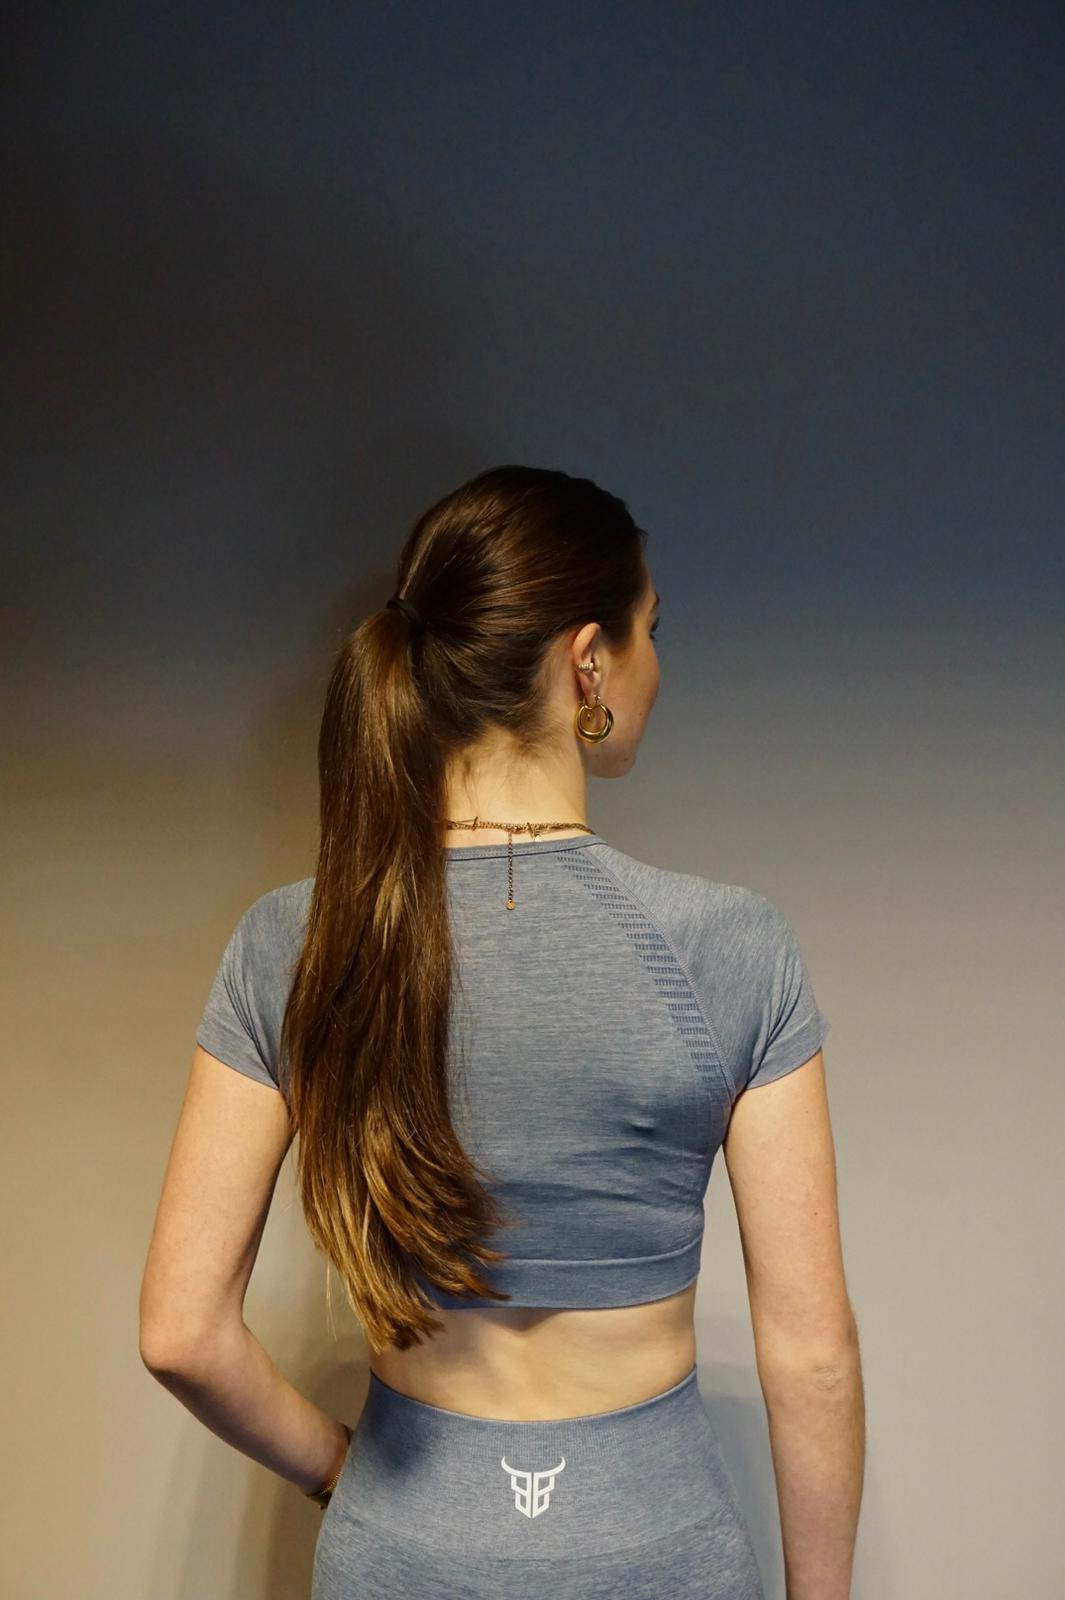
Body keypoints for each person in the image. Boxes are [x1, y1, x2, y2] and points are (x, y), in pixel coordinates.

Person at [140, 464, 864, 1598]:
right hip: (655, 1556)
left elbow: (181, 1333)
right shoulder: (730, 945)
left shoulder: (293, 943)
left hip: (402, 1554)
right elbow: (812, 1358)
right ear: (588, 661)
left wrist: (341, 1471)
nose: (658, 666)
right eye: (651, 630)